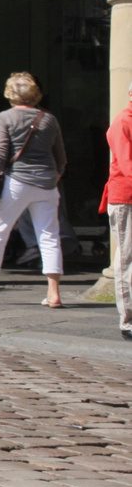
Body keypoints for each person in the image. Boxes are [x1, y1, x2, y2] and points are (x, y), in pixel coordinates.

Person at [0, 72, 67, 308]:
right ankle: (54, 293)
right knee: (49, 237)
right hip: (47, 184)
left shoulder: (5, 117)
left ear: (10, 94)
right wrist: (52, 179)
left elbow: (0, 156)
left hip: (17, 182)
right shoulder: (49, 119)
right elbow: (61, 159)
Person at [101, 79, 132, 340]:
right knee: (127, 258)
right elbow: (126, 163)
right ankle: (128, 320)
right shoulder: (123, 121)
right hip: (126, 197)